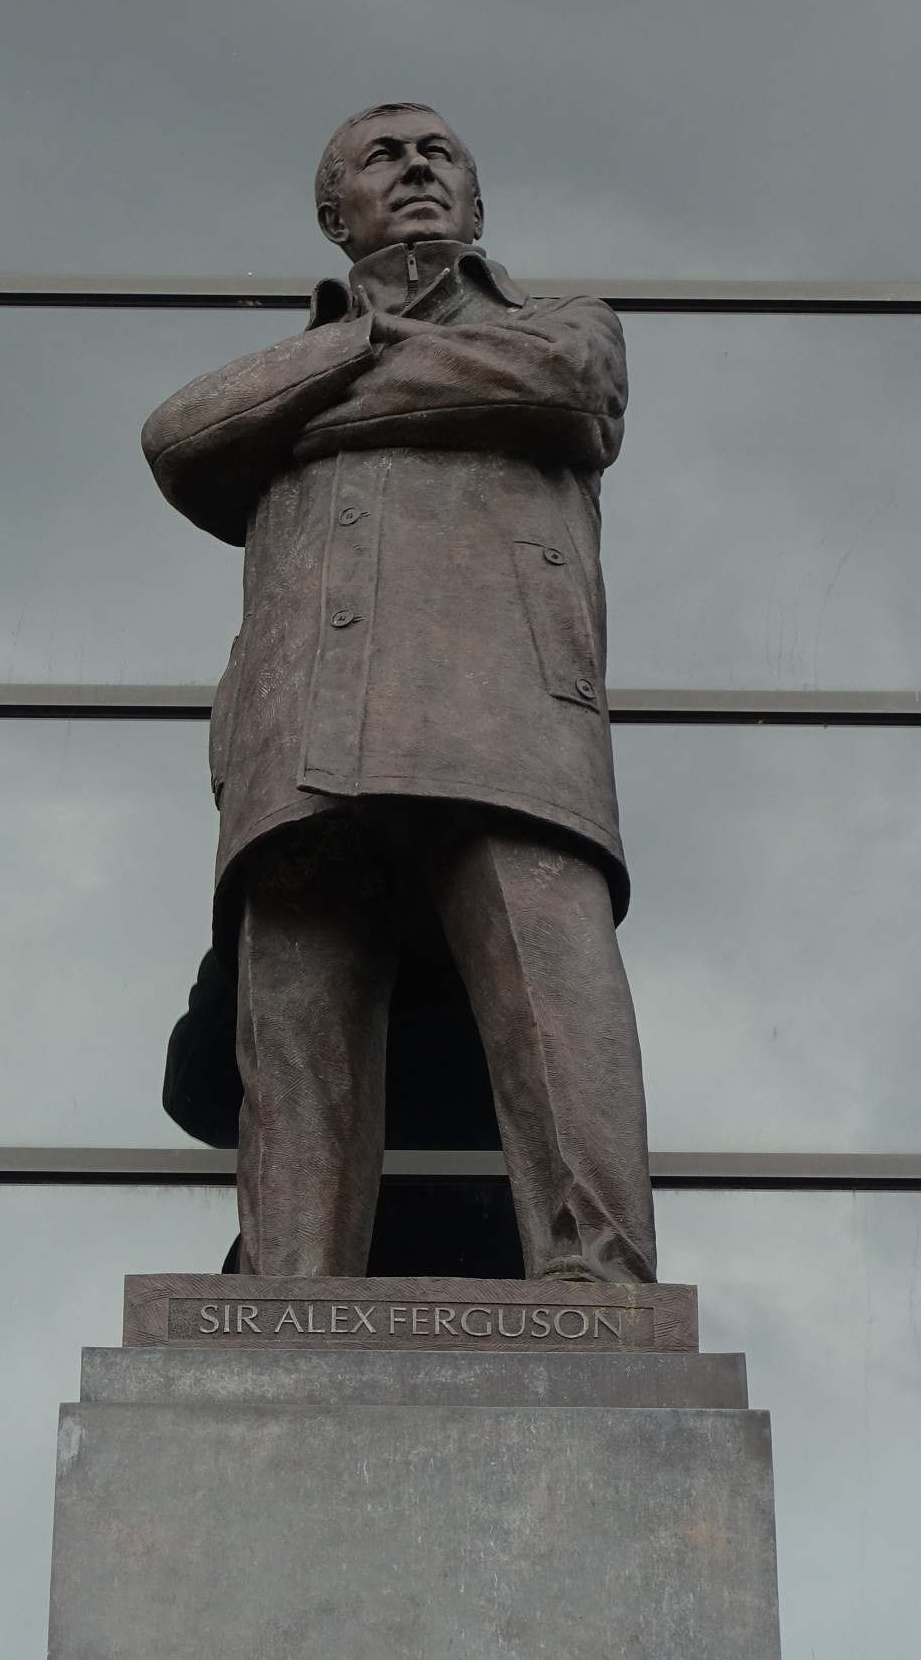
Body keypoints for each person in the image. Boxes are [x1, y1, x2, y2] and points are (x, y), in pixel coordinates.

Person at [141, 103, 656, 1284]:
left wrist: (302, 412)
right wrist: (359, 347)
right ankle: (285, 1293)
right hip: (304, 740)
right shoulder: (297, 357)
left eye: (442, 154)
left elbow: (565, 386)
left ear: (474, 201)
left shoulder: (561, 324)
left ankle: (600, 1281)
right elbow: (180, 438)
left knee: (558, 1009)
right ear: (335, 214)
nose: (418, 166)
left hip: (508, 718)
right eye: (384, 156)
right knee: (297, 1038)